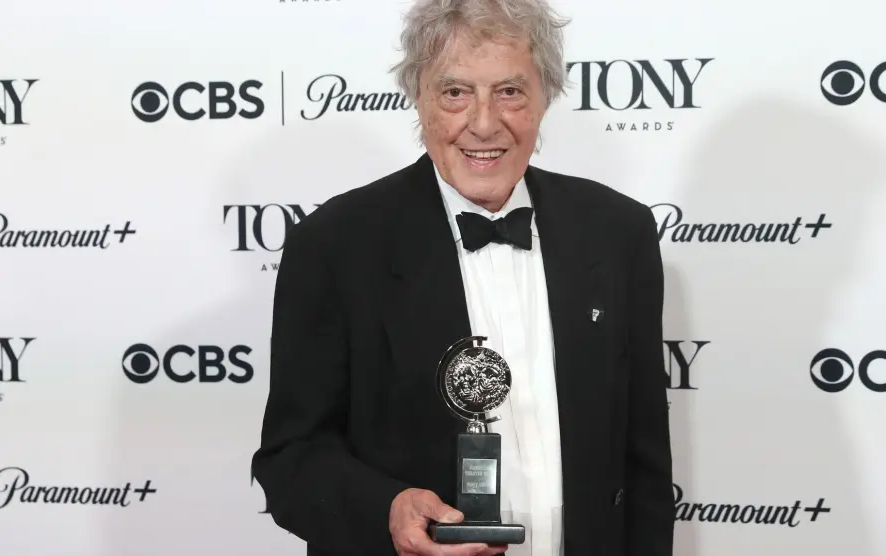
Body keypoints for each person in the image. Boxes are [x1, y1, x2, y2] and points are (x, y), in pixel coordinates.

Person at [250, 0, 674, 554]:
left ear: (545, 97)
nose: (483, 123)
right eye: (455, 92)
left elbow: (645, 463)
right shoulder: (335, 245)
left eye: (510, 91)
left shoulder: (618, 232)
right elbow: (290, 461)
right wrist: (386, 509)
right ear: (418, 98)